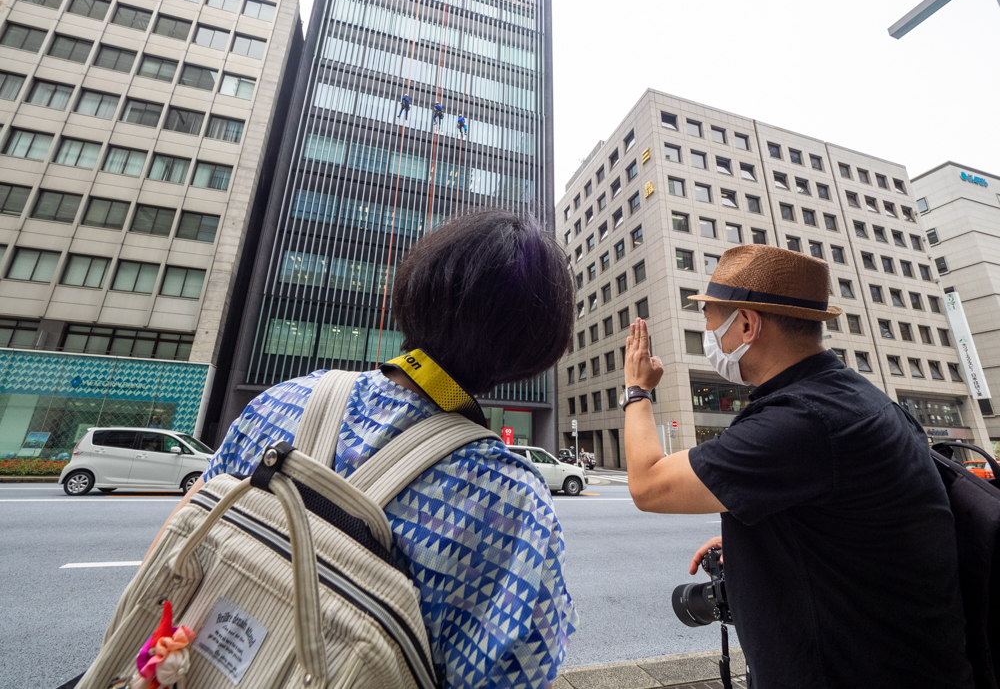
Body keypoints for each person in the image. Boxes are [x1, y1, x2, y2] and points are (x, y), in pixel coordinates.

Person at [145, 209, 578, 689]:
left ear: (418, 290)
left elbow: (173, 550)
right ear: (532, 351)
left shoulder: (283, 399)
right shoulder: (510, 501)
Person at [621, 244, 973, 689]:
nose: (707, 330)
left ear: (746, 324)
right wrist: (770, 535)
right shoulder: (853, 397)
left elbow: (648, 485)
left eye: (709, 317)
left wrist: (636, 391)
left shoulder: (803, 421)